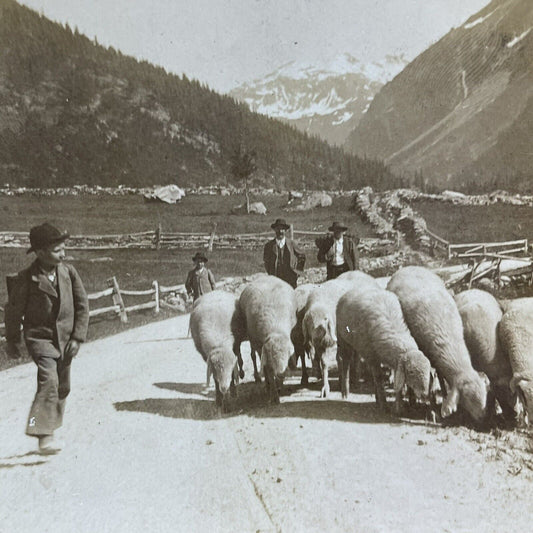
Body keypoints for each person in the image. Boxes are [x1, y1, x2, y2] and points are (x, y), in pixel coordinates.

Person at [4, 222, 89, 455]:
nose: (63, 253)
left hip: (66, 339)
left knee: (62, 386)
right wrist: (12, 340)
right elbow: (12, 311)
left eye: (64, 248)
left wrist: (78, 337)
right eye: (57, 250)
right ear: (40, 253)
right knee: (49, 380)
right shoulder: (26, 279)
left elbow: (82, 305)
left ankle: (49, 425)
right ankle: (43, 434)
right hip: (39, 339)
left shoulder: (69, 273)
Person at [263, 218, 306, 288]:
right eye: (278, 229)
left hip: (290, 279)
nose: (280, 231)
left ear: (285, 230)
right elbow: (266, 261)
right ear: (274, 230)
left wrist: (297, 272)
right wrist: (271, 273)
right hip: (276, 279)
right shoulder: (269, 246)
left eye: (282, 229)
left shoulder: (291, 244)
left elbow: (302, 256)